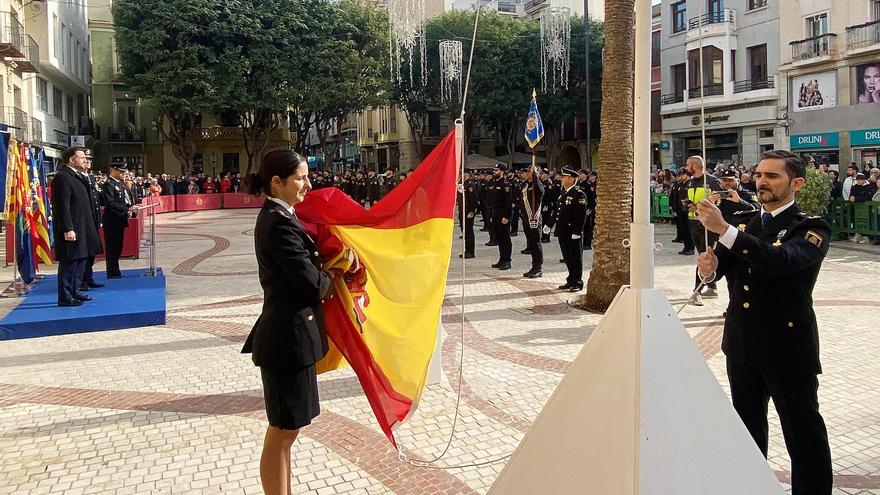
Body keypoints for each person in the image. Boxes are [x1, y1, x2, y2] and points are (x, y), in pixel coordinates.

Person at [695, 150, 832, 495]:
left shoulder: (810, 226)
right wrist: (707, 271)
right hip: (742, 345)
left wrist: (724, 231)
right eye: (759, 175)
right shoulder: (748, 222)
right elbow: (721, 269)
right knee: (747, 431)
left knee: (803, 437)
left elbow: (782, 260)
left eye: (772, 176)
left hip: (786, 348)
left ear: (796, 183)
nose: (761, 182)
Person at [241, 149, 337, 495]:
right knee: (282, 431)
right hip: (286, 341)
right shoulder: (277, 224)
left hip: (295, 338)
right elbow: (311, 284)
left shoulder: (284, 216)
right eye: (300, 178)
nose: (307, 184)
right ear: (277, 182)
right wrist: (334, 271)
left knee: (289, 431)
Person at [51, 147, 102, 307]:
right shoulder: (63, 177)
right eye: (81, 157)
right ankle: (65, 296)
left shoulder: (78, 177)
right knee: (70, 262)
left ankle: (76, 291)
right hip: (72, 228)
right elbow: (62, 206)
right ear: (72, 160)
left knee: (81, 260)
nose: (84, 160)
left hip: (83, 226)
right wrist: (68, 228)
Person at [683, 156, 724, 305]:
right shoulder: (690, 182)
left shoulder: (713, 182)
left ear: (695, 165)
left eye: (688, 164)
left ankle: (697, 290)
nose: (686, 167)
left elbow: (720, 203)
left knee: (704, 255)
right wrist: (687, 205)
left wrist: (700, 206)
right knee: (702, 253)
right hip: (694, 224)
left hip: (708, 225)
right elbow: (686, 201)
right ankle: (712, 287)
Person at [555, 166, 588, 292]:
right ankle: (571, 278)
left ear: (570, 179)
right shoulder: (564, 193)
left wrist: (577, 231)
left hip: (572, 231)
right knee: (567, 256)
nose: (561, 179)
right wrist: (549, 224)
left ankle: (577, 282)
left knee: (575, 257)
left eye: (563, 177)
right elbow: (559, 211)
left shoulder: (579, 194)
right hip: (563, 230)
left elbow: (580, 216)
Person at [101, 164, 137, 279]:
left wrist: (130, 206)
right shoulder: (108, 184)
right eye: (120, 171)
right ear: (113, 170)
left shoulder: (118, 184)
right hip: (112, 221)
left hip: (119, 220)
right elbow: (110, 203)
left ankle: (116, 271)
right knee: (112, 247)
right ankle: (112, 272)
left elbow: (121, 201)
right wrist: (126, 209)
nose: (122, 174)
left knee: (118, 246)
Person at [79, 150, 105, 293]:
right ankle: (82, 280)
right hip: (84, 221)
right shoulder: (78, 178)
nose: (88, 161)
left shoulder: (91, 177)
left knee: (92, 252)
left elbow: (95, 200)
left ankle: (89, 277)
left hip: (93, 220)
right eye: (85, 159)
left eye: (89, 159)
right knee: (85, 252)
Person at [518, 164, 545, 278]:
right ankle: (533, 266)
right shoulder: (526, 185)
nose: (528, 173)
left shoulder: (537, 185)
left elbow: (539, 190)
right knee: (531, 243)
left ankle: (538, 267)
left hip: (534, 218)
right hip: (526, 218)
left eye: (530, 172)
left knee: (536, 243)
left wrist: (535, 176)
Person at [487, 164, 513, 270]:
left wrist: (507, 216)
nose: (494, 172)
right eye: (494, 170)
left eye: (496, 170)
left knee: (505, 238)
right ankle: (502, 259)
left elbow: (508, 202)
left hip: (503, 214)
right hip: (495, 213)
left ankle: (507, 260)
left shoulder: (505, 184)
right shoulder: (494, 182)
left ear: (502, 171)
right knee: (499, 238)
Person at [458, 171, 479, 259]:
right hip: (462, 210)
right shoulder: (462, 184)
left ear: (466, 174)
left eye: (461, 173)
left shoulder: (470, 185)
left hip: (467, 211)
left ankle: (470, 251)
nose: (460, 175)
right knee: (465, 232)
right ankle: (467, 250)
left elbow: (473, 199)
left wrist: (471, 211)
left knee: (469, 232)